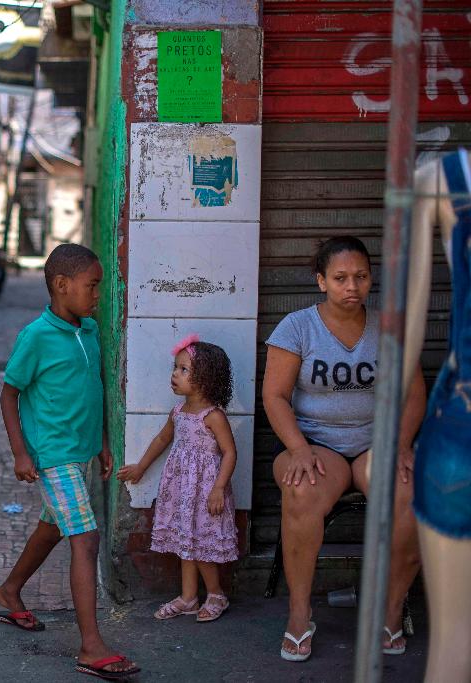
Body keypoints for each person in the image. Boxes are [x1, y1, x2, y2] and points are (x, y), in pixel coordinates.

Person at [261, 236, 426, 662]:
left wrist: (403, 444)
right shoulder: (297, 327)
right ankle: (299, 614)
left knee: (409, 492)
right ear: (321, 281)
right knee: (299, 491)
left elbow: (412, 395)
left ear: (371, 279)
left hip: (377, 443)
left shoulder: (389, 327)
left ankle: (390, 611)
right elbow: (275, 396)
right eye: (340, 278)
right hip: (317, 446)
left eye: (361, 276)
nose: (351, 286)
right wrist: (297, 448)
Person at [0, 244, 139, 681]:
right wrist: (21, 452)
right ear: (61, 285)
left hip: (82, 452)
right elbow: (9, 393)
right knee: (86, 539)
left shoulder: (89, 330)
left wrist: (103, 442)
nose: (97, 294)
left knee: (54, 526)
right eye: (91, 286)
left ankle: (9, 591)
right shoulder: (35, 337)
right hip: (53, 455)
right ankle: (91, 646)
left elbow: (92, 388)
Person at [397, 151, 471, 682]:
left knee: (453, 646)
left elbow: (405, 344)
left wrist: (391, 438)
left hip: (459, 427)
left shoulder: (444, 178)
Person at [117, 335, 238, 623]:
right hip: (182, 489)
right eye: (175, 367)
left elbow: (230, 452)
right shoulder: (178, 413)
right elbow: (162, 440)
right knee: (187, 540)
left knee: (201, 545)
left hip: (206, 490)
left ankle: (216, 594)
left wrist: (219, 488)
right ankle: (188, 598)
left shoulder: (213, 416)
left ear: (205, 378)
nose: (175, 374)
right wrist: (141, 467)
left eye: (184, 369)